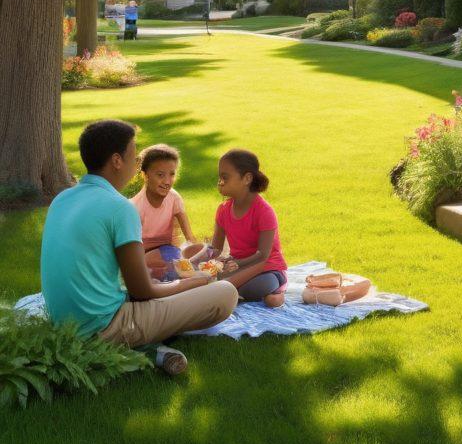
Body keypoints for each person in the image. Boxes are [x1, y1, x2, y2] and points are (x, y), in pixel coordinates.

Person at [40, 119, 238, 375]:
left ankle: (148, 350)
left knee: (172, 285)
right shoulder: (121, 208)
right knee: (225, 293)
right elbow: (142, 290)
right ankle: (136, 346)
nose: (137, 162)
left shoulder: (62, 198)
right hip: (102, 327)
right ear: (116, 160)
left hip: (62, 322)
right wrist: (197, 280)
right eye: (133, 154)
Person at [191, 149, 289, 307]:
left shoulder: (264, 211)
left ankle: (279, 287)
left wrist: (237, 266)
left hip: (267, 268)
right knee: (211, 278)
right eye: (219, 177)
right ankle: (236, 291)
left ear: (247, 178)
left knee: (257, 287)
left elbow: (263, 255)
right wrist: (194, 261)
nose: (220, 182)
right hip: (237, 266)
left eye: (225, 177)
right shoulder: (223, 210)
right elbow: (215, 248)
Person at [131, 143, 201, 273]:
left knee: (186, 265)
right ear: (145, 175)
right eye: (160, 175)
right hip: (143, 257)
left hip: (168, 251)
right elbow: (133, 251)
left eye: (172, 174)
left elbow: (190, 237)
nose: (167, 181)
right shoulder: (135, 207)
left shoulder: (174, 198)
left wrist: (200, 256)